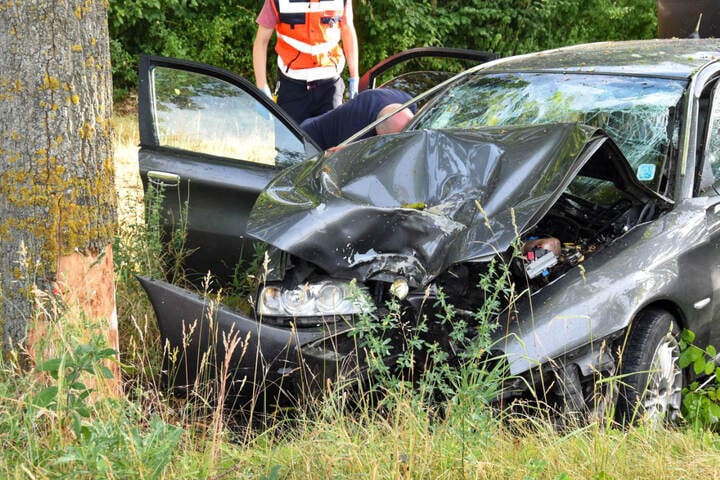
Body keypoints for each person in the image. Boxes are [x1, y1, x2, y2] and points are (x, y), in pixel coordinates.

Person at [252, 0, 359, 124]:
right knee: (288, 142)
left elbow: (348, 30)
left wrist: (354, 78)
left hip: (330, 87)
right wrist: (261, 87)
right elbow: (261, 40)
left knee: (333, 142)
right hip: (292, 87)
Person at [300, 88, 416, 150]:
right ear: (379, 132)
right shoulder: (356, 134)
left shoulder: (409, 102)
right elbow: (339, 163)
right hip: (309, 139)